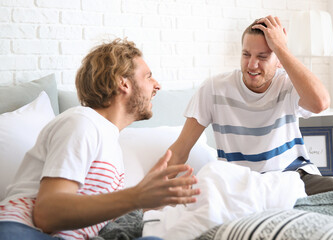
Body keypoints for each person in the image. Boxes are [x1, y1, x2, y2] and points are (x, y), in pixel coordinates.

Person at [0, 39, 200, 240]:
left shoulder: (111, 145)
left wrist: (148, 200)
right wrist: (136, 196)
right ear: (124, 82)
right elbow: (47, 215)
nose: (157, 85)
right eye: (148, 77)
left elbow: (93, 215)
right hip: (23, 231)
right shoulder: (81, 122)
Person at [168, 16, 333, 195]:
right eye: (246, 54)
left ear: (279, 61)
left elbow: (320, 103)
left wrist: (281, 47)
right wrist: (148, 195)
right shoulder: (214, 89)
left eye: (263, 56)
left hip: (294, 179)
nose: (252, 64)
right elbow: (179, 151)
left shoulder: (288, 85)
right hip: (242, 186)